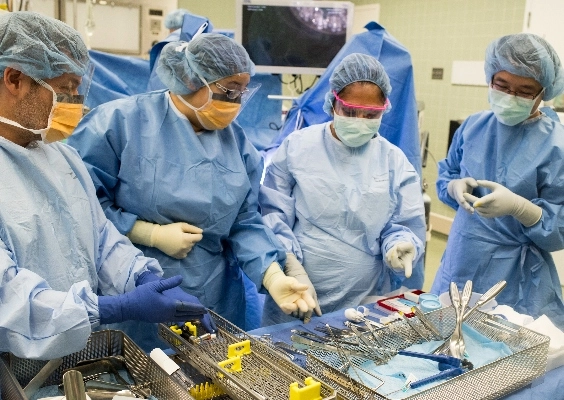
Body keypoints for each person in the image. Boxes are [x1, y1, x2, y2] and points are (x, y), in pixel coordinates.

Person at [67, 33, 315, 350]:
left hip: (216, 296)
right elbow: (82, 203)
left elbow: (245, 222)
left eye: (242, 93)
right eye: (228, 92)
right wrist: (146, 233)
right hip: (140, 291)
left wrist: (273, 277)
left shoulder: (237, 144)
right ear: (189, 80)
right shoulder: (121, 123)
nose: (234, 104)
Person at [0, 12, 212, 360]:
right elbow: (8, 299)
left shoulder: (62, 158)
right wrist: (110, 308)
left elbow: (100, 239)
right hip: (15, 364)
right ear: (14, 78)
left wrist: (140, 277)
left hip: (79, 352)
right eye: (64, 89)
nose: (74, 103)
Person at [259, 53, 426, 326]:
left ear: (384, 109)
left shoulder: (394, 162)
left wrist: (399, 245)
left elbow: (400, 223)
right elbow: (272, 214)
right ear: (333, 102)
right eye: (349, 111)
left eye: (370, 114)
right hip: (296, 291)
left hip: (362, 299)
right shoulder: (297, 147)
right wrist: (290, 264)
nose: (359, 120)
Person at [432, 33, 564, 328]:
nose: (510, 97)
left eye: (525, 90)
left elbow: (560, 226)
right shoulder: (473, 126)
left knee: (505, 358)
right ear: (490, 78)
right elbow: (448, 175)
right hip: (461, 259)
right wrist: (454, 187)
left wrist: (522, 209)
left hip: (515, 277)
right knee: (444, 343)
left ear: (544, 92)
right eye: (501, 85)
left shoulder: (557, 145)